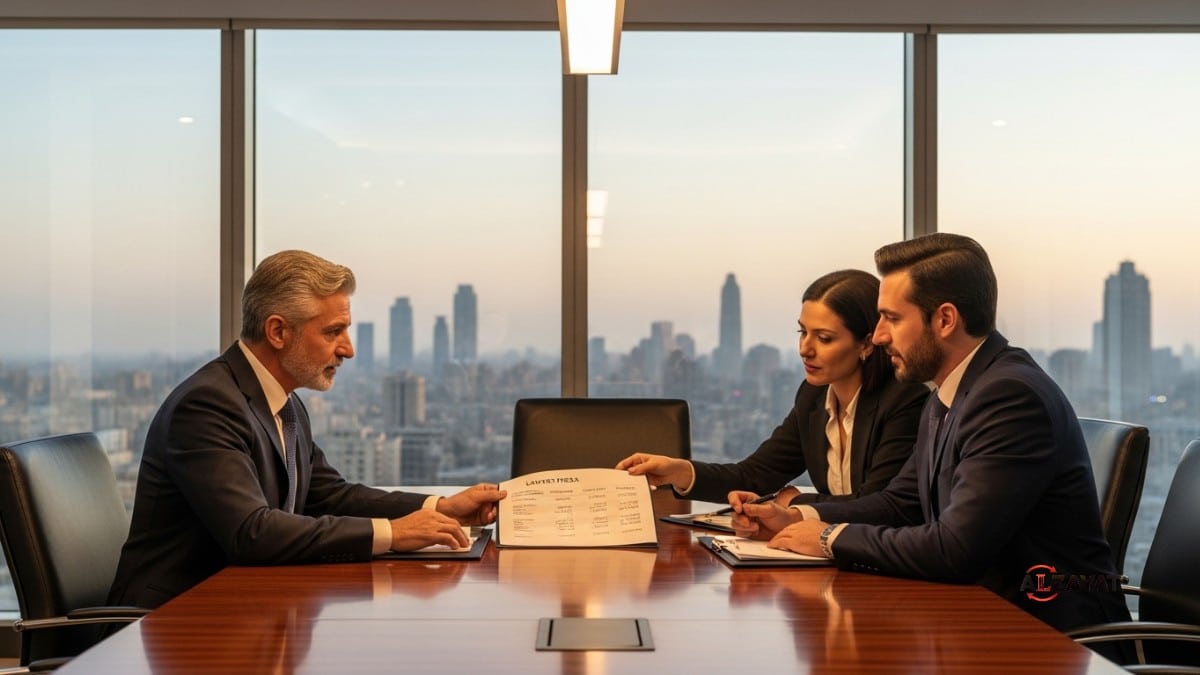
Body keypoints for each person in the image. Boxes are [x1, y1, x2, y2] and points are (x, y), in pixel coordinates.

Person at [731, 233, 1131, 643]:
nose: (880, 335)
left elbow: (955, 549)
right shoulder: (951, 390)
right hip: (979, 621)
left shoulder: (1010, 396)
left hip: (1051, 638)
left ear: (944, 320)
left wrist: (829, 538)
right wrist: (797, 519)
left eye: (892, 318)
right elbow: (901, 503)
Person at [108, 250, 506, 609]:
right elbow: (252, 532)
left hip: (244, 609)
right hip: (170, 626)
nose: (348, 349)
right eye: (333, 332)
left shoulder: (284, 402)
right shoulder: (207, 405)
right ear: (278, 332)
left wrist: (439, 507)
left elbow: (329, 496)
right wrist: (393, 534)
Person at [616, 269, 928, 507]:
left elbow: (877, 505)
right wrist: (679, 471)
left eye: (824, 338)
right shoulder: (813, 398)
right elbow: (754, 476)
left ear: (866, 343)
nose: (805, 349)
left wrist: (794, 504)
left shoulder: (904, 401)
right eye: (802, 332)